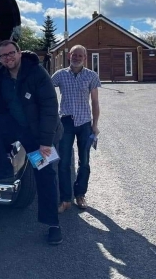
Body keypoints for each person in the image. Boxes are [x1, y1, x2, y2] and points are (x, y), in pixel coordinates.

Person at [0, 40, 64, 245]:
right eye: (3, 55)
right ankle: (3, 171)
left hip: (38, 134)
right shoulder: (2, 75)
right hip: (17, 126)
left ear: (19, 53)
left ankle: (53, 225)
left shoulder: (36, 73)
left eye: (11, 53)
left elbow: (50, 107)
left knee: (44, 176)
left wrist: (45, 142)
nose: (8, 58)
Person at [51, 45, 101, 213]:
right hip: (65, 123)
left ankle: (80, 194)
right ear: (69, 56)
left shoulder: (91, 76)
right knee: (63, 162)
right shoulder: (60, 75)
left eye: (81, 55)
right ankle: (65, 199)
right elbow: (46, 91)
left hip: (85, 123)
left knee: (84, 161)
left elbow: (95, 102)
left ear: (85, 58)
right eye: (74, 54)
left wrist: (95, 125)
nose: (77, 57)